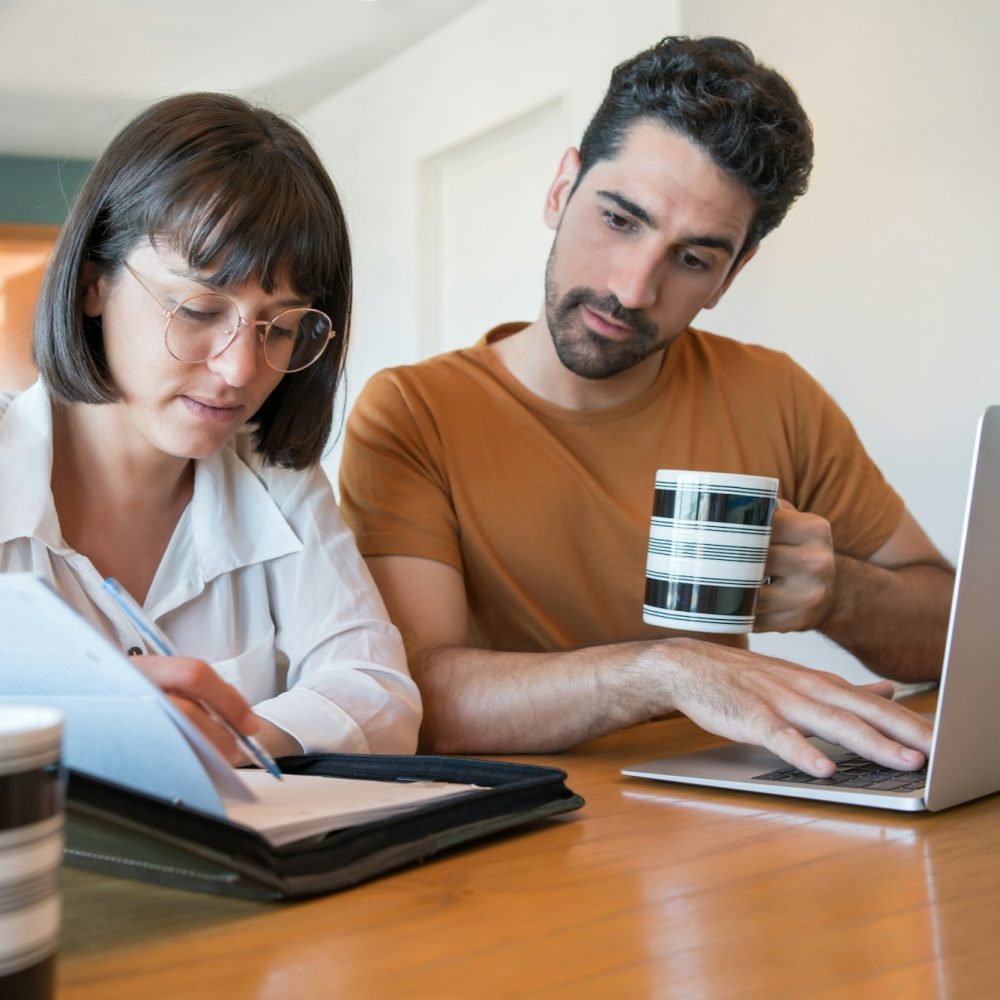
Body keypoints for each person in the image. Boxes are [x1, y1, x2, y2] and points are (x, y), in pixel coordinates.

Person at [339, 36, 954, 776]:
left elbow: (957, 631)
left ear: (732, 274)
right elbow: (413, 696)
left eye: (693, 259)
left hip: (734, 818)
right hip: (524, 834)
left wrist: (841, 595)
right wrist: (665, 672)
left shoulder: (774, 394)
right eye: (620, 220)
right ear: (561, 188)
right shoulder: (414, 412)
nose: (633, 288)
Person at [0, 93, 421, 762]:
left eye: (280, 327)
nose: (240, 369)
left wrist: (221, 740)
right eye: (198, 309)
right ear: (91, 285)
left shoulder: (276, 477)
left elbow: (378, 692)